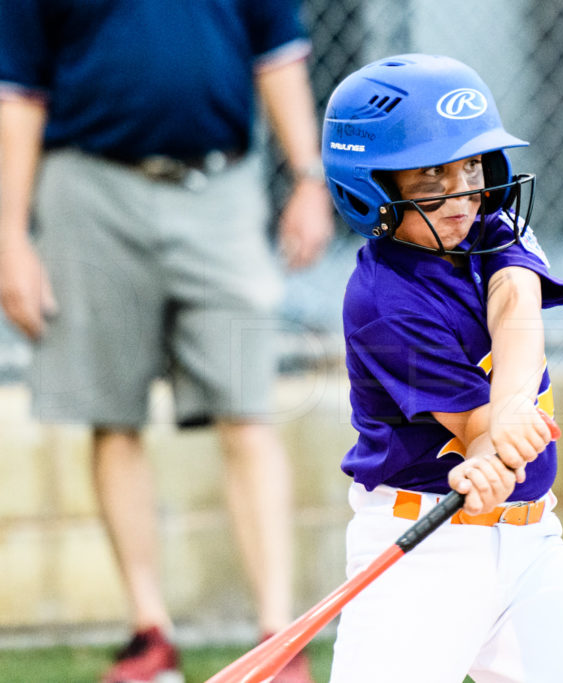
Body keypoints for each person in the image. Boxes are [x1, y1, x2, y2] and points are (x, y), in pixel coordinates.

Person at [0, 3, 334, 682]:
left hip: (223, 193)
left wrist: (309, 177)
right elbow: (20, 90)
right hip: (87, 192)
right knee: (112, 414)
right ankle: (150, 634)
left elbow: (278, 53)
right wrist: (9, 235)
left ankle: (279, 640)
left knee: (250, 408)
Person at [321, 53, 563, 682]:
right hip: (427, 546)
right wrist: (488, 455)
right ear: (370, 185)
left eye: (471, 165)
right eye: (431, 176)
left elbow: (516, 296)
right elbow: (476, 430)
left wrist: (512, 406)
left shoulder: (489, 225)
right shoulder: (382, 300)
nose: (461, 192)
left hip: (532, 539)